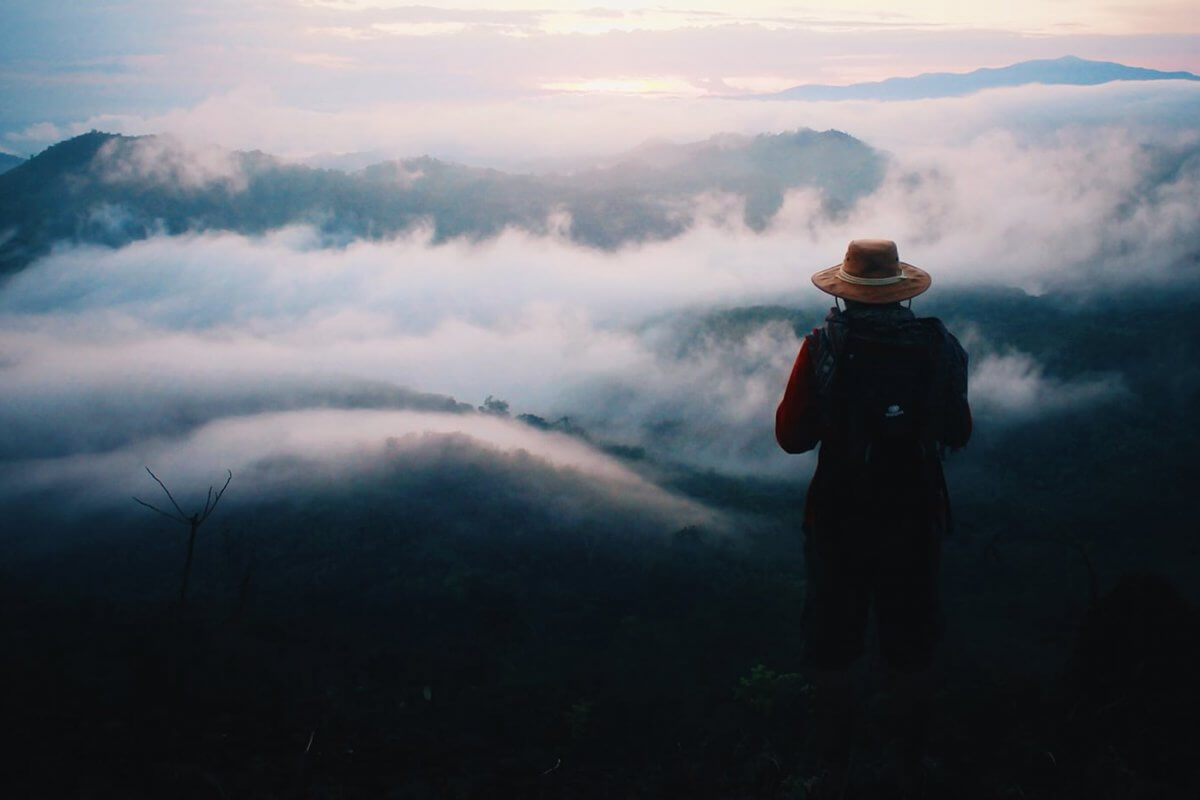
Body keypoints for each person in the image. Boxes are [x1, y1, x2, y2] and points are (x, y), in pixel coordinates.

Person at [775, 239, 971, 788]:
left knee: (834, 645)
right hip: (914, 515)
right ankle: (909, 763)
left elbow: (791, 438)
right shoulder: (939, 346)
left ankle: (833, 767)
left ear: (845, 295)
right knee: (911, 643)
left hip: (838, 519)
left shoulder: (822, 348)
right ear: (901, 294)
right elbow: (958, 431)